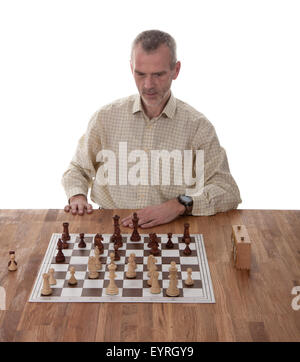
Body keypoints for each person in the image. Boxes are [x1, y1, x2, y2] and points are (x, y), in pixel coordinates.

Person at [62, 30, 242, 228]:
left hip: (173, 233)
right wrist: (77, 196)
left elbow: (227, 190)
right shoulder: (105, 118)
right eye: (140, 74)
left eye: (158, 74)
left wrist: (180, 204)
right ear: (131, 68)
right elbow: (77, 169)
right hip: (112, 229)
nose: (148, 85)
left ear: (176, 70)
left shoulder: (198, 126)